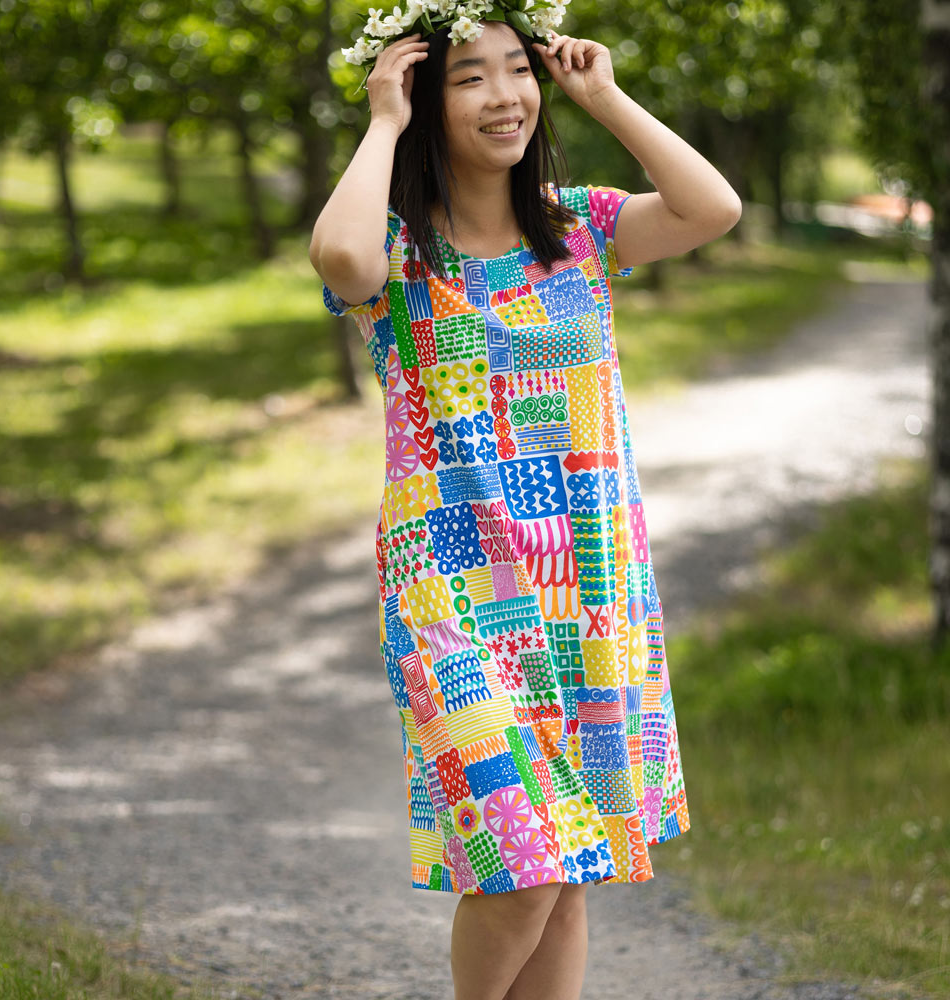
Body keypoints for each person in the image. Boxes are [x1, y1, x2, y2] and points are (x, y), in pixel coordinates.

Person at [310, 6, 741, 999]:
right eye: (470, 77)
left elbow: (712, 208)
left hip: (586, 585)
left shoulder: (583, 227)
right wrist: (381, 121)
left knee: (570, 867)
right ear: (426, 97)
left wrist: (604, 96)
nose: (504, 96)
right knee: (522, 866)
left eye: (517, 70)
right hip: (453, 594)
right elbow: (340, 262)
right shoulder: (399, 250)